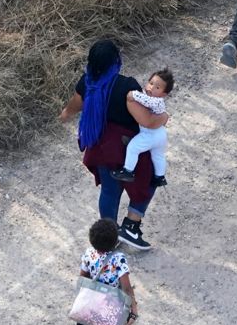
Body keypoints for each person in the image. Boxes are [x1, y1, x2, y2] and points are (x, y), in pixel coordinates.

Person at [58, 40, 164, 251]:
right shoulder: (127, 86)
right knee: (150, 181)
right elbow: (146, 120)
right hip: (126, 148)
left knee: (109, 190)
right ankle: (131, 228)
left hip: (100, 147)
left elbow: (73, 106)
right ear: (116, 61)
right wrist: (164, 117)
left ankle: (109, 237)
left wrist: (64, 115)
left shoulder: (87, 83)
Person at [110, 69, 174, 186]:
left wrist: (133, 94)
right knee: (158, 155)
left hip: (150, 135)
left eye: (157, 88)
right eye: (151, 83)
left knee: (133, 148)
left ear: (164, 94)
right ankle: (160, 177)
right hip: (160, 135)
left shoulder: (157, 101)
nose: (151, 88)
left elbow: (147, 101)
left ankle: (128, 171)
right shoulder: (154, 98)